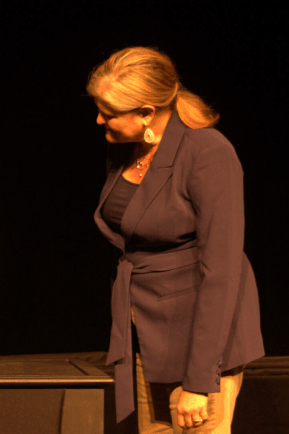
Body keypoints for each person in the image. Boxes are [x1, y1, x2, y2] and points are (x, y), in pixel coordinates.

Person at [88, 47, 264, 433]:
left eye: (110, 112)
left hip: (201, 338)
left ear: (147, 112)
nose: (99, 119)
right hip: (148, 330)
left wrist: (200, 382)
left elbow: (222, 272)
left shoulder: (208, 153)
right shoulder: (127, 149)